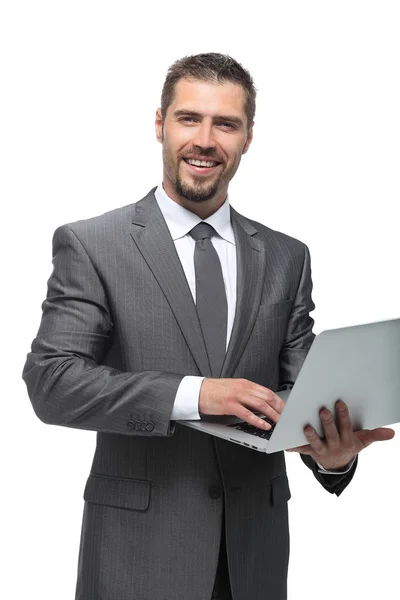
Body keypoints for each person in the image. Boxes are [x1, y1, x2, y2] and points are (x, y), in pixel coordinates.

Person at [22, 53, 394, 600]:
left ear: (247, 138)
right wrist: (196, 394)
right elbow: (53, 383)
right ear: (159, 125)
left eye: (226, 123)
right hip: (136, 557)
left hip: (254, 558)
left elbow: (302, 393)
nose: (205, 139)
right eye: (188, 118)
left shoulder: (287, 257)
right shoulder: (92, 244)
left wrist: (332, 456)